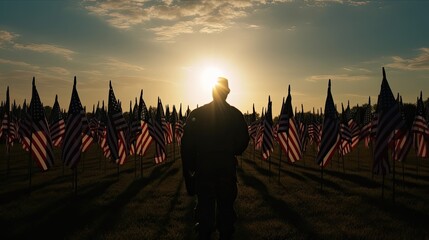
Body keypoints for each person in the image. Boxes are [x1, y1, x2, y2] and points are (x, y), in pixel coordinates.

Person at [181, 77, 250, 240]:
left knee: (207, 220)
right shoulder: (235, 115)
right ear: (228, 92)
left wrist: (188, 175)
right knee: (224, 218)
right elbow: (243, 141)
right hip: (224, 171)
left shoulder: (198, 114)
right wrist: (230, 150)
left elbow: (186, 147)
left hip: (205, 171)